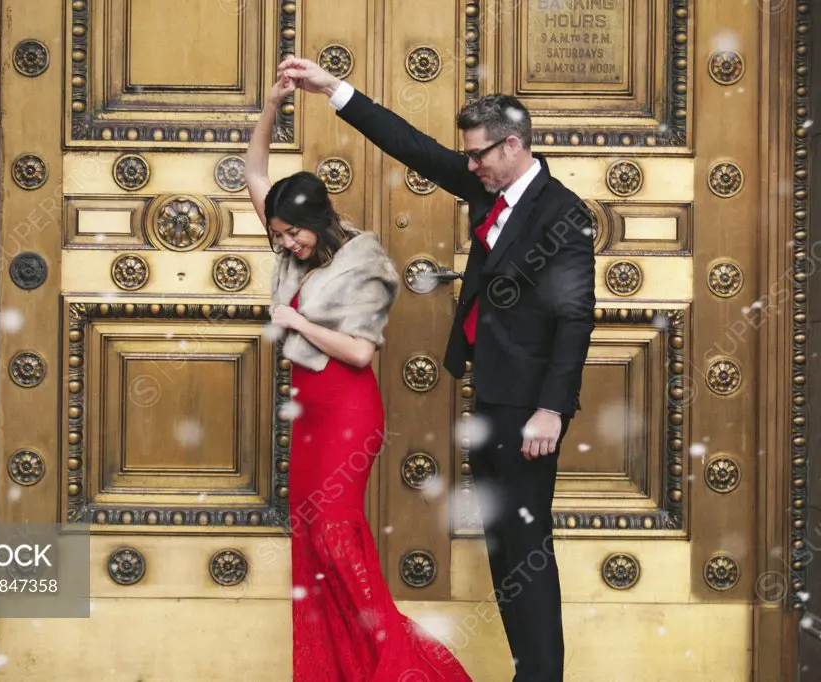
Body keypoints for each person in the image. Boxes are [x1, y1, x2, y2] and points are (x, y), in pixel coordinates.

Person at [278, 58, 596, 682]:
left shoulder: (562, 213)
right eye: (469, 156)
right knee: (506, 551)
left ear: (512, 145)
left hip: (530, 410)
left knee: (527, 551)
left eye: (479, 155)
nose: (469, 165)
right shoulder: (491, 187)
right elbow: (413, 148)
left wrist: (551, 410)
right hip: (495, 397)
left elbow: (576, 318)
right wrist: (334, 91)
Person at [246, 76, 475, 681]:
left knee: (339, 545)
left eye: (293, 233)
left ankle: (406, 670)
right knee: (313, 548)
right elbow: (253, 173)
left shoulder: (364, 264)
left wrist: (295, 318)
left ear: (319, 222)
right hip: (309, 413)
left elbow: (358, 352)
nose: (286, 244)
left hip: (348, 412)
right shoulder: (291, 244)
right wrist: (271, 107)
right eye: (278, 235)